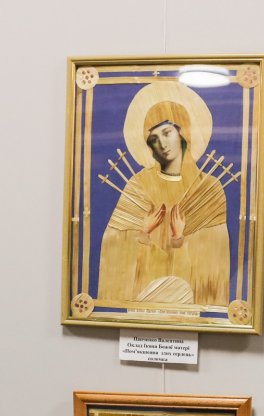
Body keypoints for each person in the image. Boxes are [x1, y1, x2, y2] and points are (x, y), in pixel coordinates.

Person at [97, 99, 230, 306]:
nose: (162, 144)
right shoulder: (139, 185)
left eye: (167, 133)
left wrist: (179, 238)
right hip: (144, 299)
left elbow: (214, 260)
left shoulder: (208, 188)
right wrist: (143, 232)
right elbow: (114, 250)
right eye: (153, 139)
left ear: (183, 132)